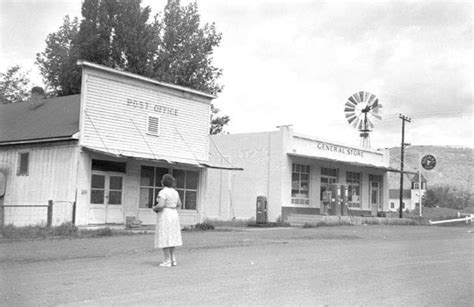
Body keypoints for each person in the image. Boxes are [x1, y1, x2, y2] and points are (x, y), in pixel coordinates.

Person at [153, 174, 183, 267]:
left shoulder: (163, 192)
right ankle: (173, 258)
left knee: (165, 235)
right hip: (173, 213)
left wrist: (154, 208)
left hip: (165, 214)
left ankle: (167, 260)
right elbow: (179, 204)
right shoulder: (175, 192)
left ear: (163, 182)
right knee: (172, 235)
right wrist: (173, 209)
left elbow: (161, 205)